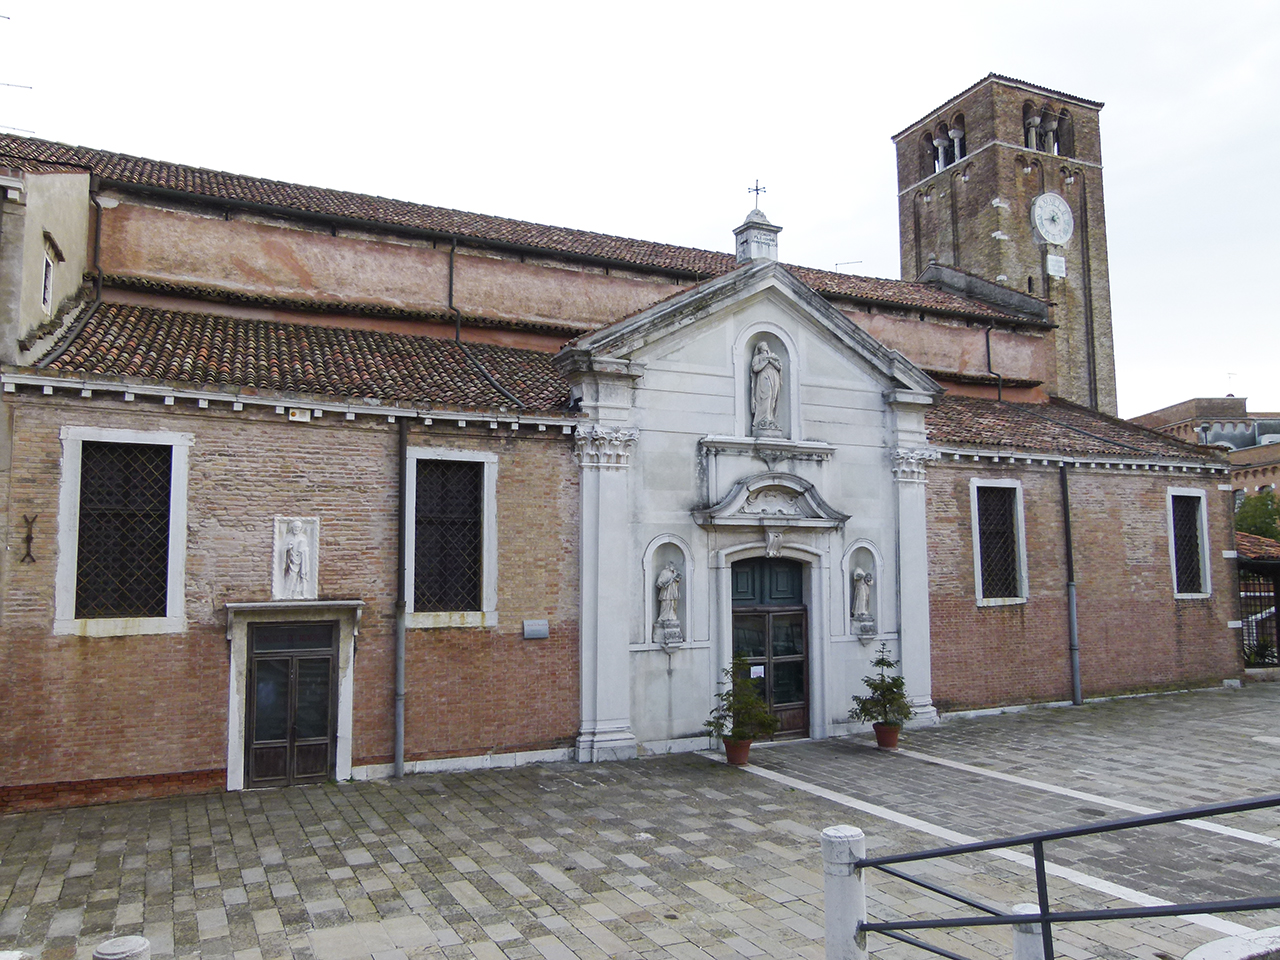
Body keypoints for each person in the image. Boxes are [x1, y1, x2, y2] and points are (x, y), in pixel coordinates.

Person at [750, 341, 782, 432]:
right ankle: (761, 419)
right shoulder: (758, 357)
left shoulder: (773, 356)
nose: (766, 346)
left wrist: (771, 360)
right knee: (766, 396)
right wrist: (765, 362)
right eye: (764, 345)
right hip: (764, 377)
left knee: (773, 397)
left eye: (766, 344)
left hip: (774, 377)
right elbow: (755, 369)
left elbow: (779, 367)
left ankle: (770, 418)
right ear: (760, 348)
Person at [282, 520, 309, 598]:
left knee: (299, 577)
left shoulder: (303, 537)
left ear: (301, 528)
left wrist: (303, 551)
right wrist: (288, 547)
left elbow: (306, 549)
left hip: (301, 560)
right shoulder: (288, 537)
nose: (296, 529)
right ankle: (288, 594)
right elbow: (282, 549)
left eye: (298, 527)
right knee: (291, 576)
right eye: (295, 527)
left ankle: (297, 593)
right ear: (292, 527)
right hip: (291, 561)